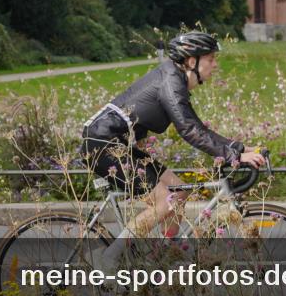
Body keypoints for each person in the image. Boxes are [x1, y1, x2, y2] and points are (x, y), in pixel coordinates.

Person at [81, 32, 265, 265]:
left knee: (179, 190)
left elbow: (199, 128)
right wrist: (236, 156)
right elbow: (190, 131)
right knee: (166, 201)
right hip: (103, 145)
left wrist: (241, 148)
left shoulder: (173, 79)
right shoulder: (170, 83)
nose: (215, 64)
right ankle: (108, 258)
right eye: (211, 58)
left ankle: (163, 257)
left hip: (118, 144)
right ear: (191, 61)